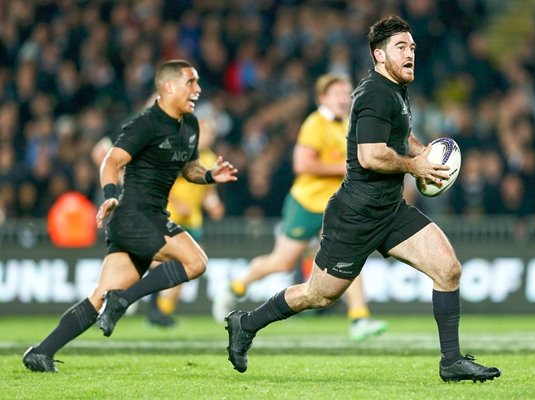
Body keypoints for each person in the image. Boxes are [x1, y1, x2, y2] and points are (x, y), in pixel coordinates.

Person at [224, 16, 501, 383]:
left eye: (412, 47)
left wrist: (427, 155)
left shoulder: (396, 90)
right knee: (318, 295)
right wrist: (415, 166)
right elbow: (371, 156)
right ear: (379, 56)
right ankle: (246, 323)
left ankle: (451, 361)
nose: (410, 54)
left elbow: (402, 137)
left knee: (448, 269)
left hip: (390, 210)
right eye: (401, 47)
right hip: (355, 215)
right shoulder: (372, 94)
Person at [22, 59, 238, 372]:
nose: (198, 89)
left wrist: (208, 176)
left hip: (146, 218)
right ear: (167, 87)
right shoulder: (146, 124)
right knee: (196, 261)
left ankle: (41, 352)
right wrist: (110, 196)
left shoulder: (190, 125)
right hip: (135, 215)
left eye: (198, 82)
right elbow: (111, 160)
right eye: (190, 82)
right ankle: (123, 301)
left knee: (98, 297)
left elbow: (188, 168)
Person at [212, 74, 387, 342]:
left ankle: (359, 318)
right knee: (282, 262)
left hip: (334, 207)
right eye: (337, 93)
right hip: (306, 204)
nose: (343, 98)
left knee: (349, 256)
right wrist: (345, 167)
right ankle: (236, 286)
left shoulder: (349, 126)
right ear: (322, 98)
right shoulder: (315, 124)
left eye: (346, 93)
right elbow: (302, 165)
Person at [148, 118, 225, 327]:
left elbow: (208, 191)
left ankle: (163, 311)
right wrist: (177, 202)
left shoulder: (209, 158)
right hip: (171, 214)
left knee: (192, 265)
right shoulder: (180, 154)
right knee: (171, 261)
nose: (207, 137)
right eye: (204, 133)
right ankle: (156, 308)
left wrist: (214, 205)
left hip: (193, 219)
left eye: (210, 134)